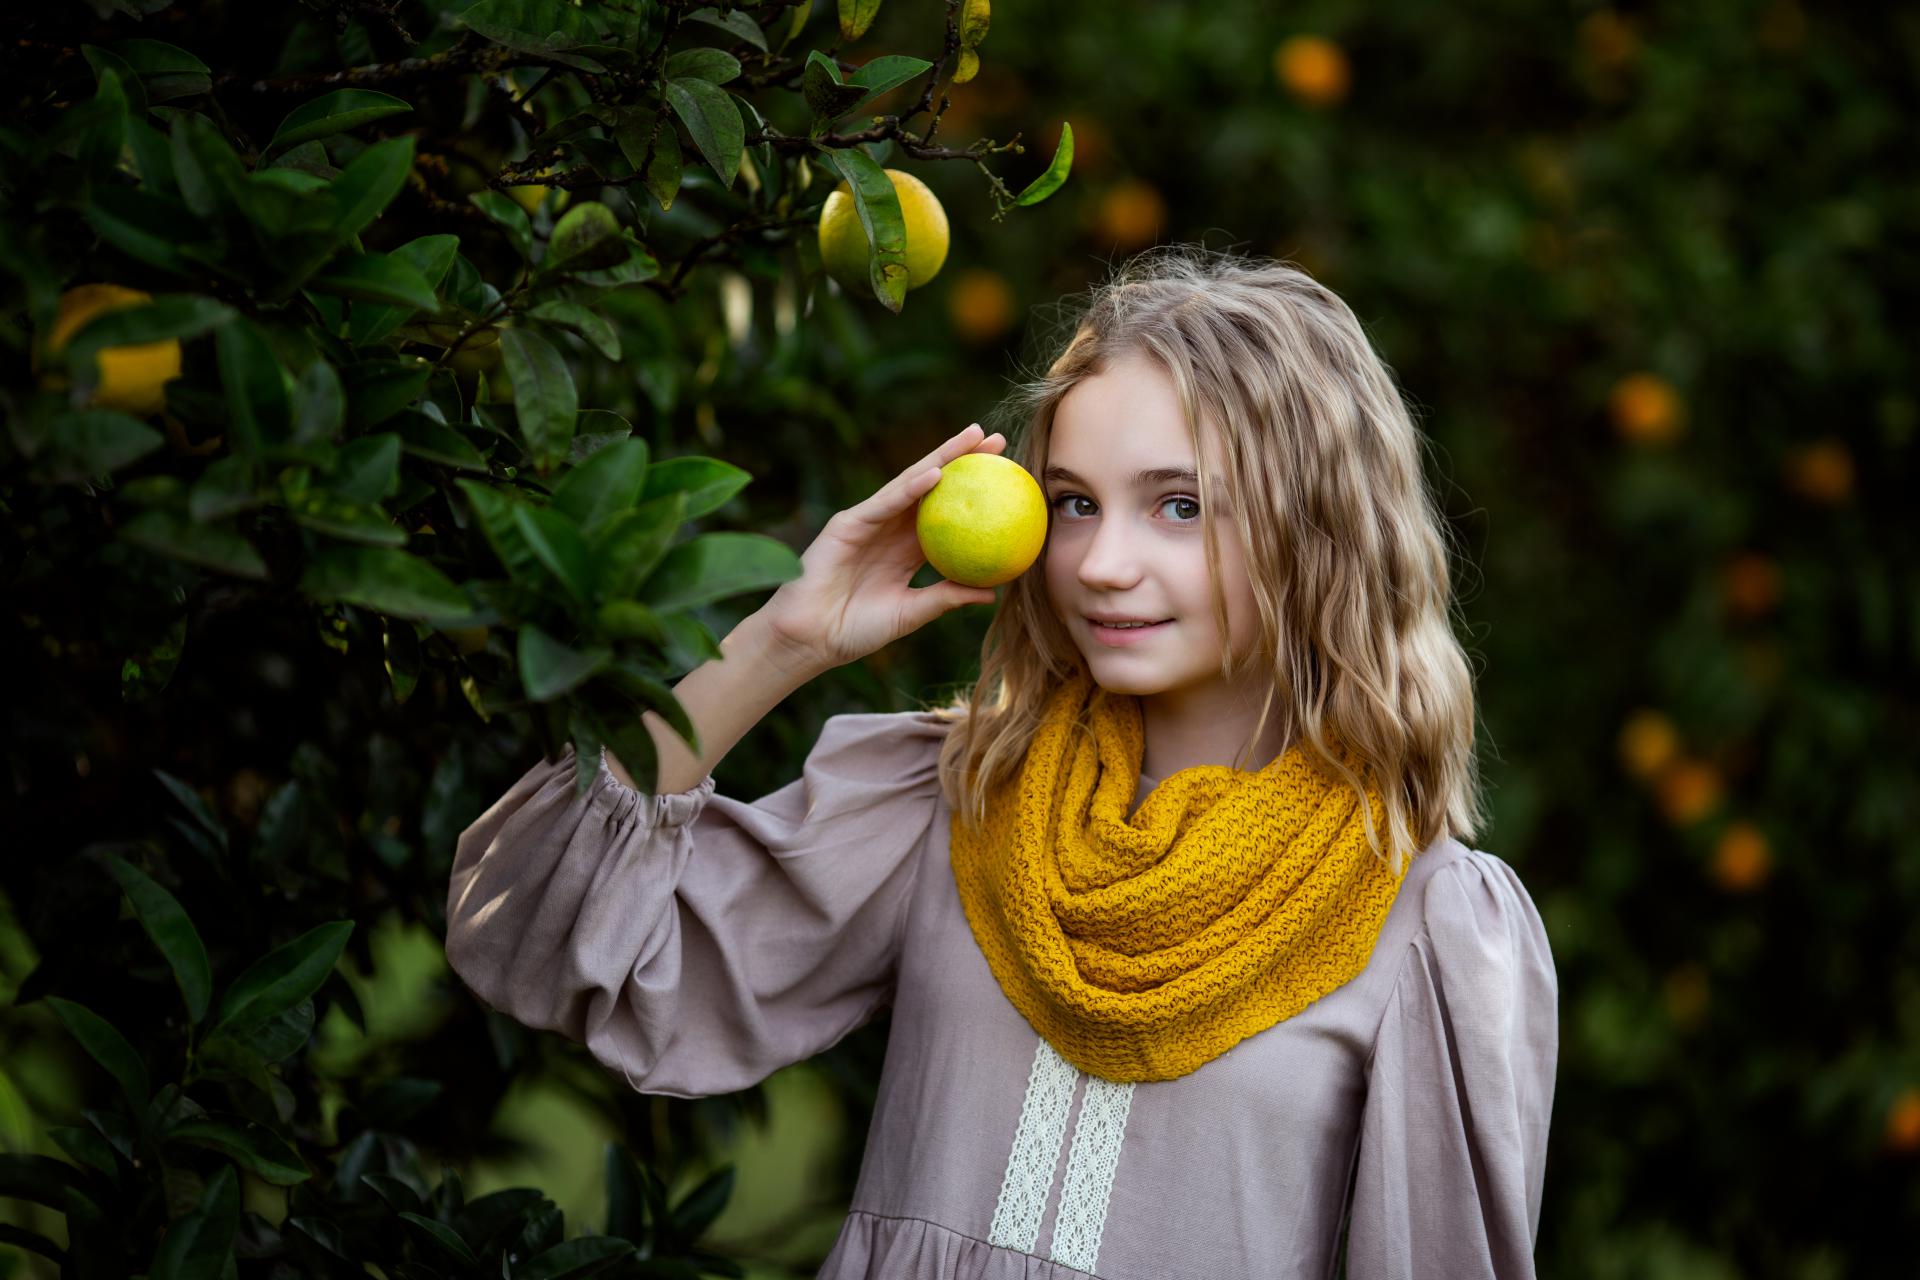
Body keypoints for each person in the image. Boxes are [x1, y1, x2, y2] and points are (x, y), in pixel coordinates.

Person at [445, 244, 1558, 1279]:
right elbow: (529, 930)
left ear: (1321, 530)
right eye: (1073, 503)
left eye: (1180, 505)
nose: (1102, 564)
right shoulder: (957, 799)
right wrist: (785, 637)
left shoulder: (1424, 923)